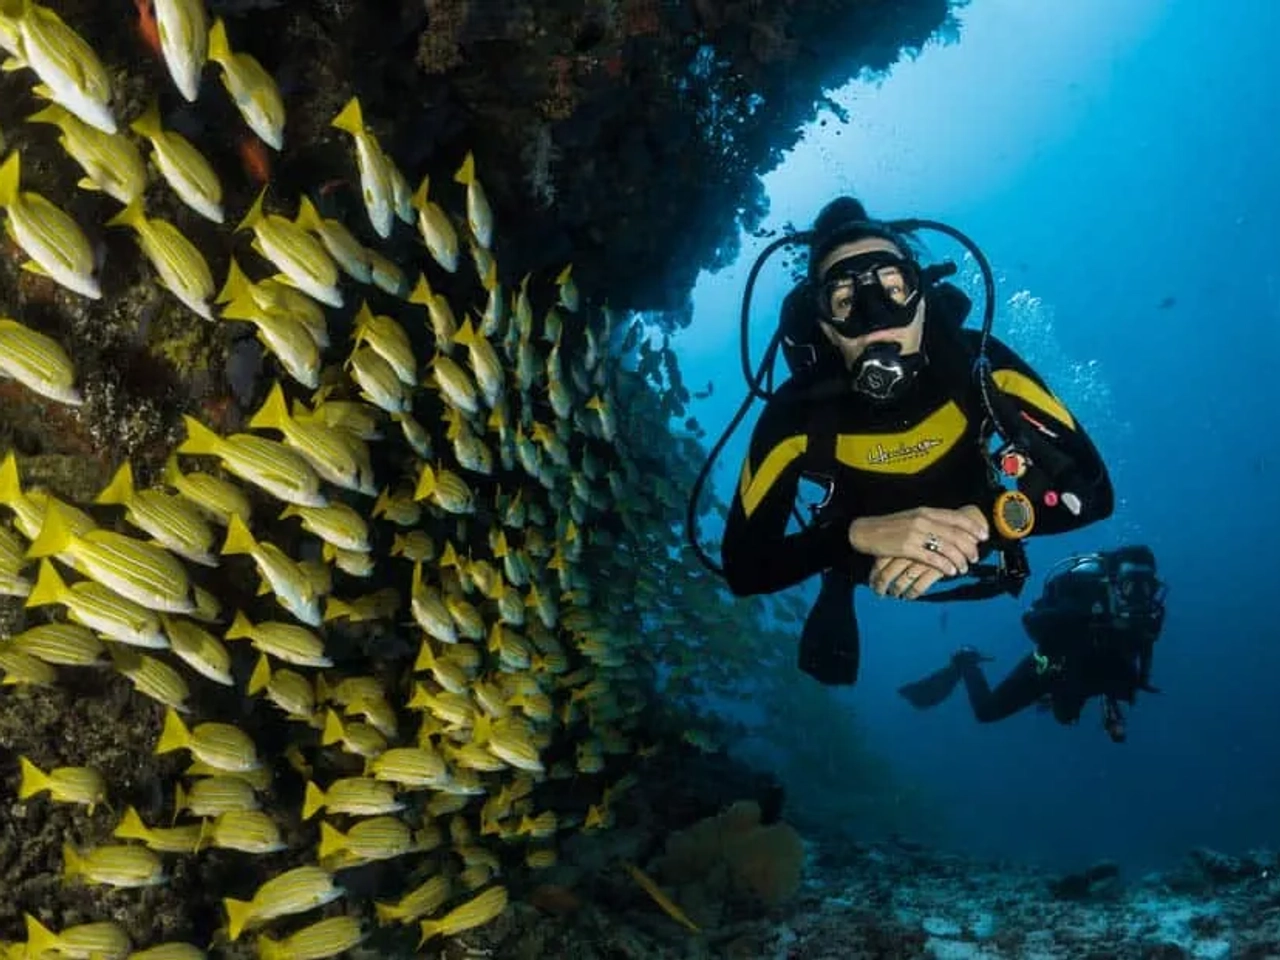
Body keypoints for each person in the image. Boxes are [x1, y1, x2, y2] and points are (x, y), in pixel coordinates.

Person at [718, 197, 1115, 685]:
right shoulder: (795, 416)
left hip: (984, 531)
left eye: (893, 288)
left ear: (923, 296)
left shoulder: (982, 367)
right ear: (823, 325)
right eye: (844, 301)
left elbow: (1094, 493)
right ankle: (838, 580)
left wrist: (987, 520)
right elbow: (745, 569)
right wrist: (852, 536)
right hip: (863, 559)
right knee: (839, 567)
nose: (875, 317)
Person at [898, 546, 1166, 742]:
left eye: (1148, 588)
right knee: (987, 712)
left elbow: (1143, 652)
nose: (1141, 597)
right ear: (1115, 584)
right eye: (1133, 587)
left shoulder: (1150, 615)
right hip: (1053, 668)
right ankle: (966, 660)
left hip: (1097, 673)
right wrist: (1078, 620)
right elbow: (1031, 620)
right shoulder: (1080, 598)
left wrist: (1125, 688)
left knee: (1069, 716)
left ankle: (1098, 703)